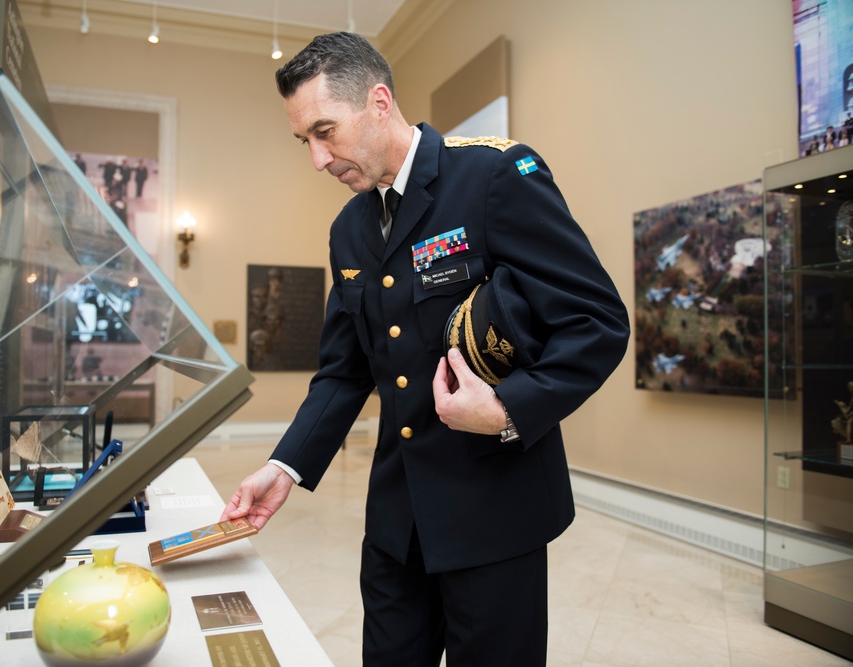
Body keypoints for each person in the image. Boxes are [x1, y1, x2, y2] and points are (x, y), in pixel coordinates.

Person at [220, 32, 629, 666]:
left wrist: (509, 410)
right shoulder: (348, 229)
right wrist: (287, 467)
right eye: (305, 140)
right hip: (397, 518)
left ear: (378, 102)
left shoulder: (494, 175)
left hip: (496, 510)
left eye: (326, 132)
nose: (318, 159)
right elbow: (342, 371)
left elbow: (597, 320)